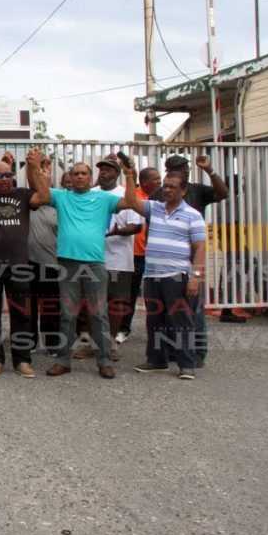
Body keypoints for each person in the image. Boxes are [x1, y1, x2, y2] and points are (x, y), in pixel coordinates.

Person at [44, 158, 137, 379]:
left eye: (83, 173)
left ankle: (104, 361)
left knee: (99, 314)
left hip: (95, 263)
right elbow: (40, 190)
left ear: (89, 177)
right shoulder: (61, 197)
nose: (79, 177)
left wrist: (130, 175)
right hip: (67, 262)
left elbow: (132, 202)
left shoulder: (103, 198)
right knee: (68, 314)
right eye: (75, 174)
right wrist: (35, 167)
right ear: (71, 179)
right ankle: (63, 361)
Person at [0, 148, 49, 378]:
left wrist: (33, 167)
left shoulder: (23, 194)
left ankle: (22, 360)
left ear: (13, 176)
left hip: (19, 264)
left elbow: (44, 196)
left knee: (21, 314)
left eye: (8, 175)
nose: (4, 179)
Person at [148, 154, 228, 368]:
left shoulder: (197, 190)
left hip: (192, 255)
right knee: (165, 311)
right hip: (164, 261)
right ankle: (170, 352)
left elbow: (223, 193)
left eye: (184, 168)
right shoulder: (159, 193)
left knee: (193, 309)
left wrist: (210, 170)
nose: (183, 172)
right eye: (177, 169)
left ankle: (197, 353)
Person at [128, 173, 207, 379]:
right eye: (165, 186)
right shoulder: (155, 208)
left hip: (176, 276)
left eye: (172, 187)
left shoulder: (193, 215)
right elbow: (130, 201)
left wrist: (195, 277)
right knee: (154, 321)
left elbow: (199, 248)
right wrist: (129, 175)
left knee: (180, 321)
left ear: (183, 191)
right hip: (152, 276)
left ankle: (186, 365)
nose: (167, 190)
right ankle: (157, 361)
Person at [73, 156, 143, 362]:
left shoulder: (124, 194)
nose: (104, 172)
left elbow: (136, 225)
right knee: (88, 303)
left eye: (109, 169)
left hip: (118, 260)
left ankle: (109, 344)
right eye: (101, 169)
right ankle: (89, 344)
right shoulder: (90, 194)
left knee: (115, 304)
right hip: (89, 257)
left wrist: (112, 233)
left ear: (117, 173)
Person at [118, 167, 161, 342]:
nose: (160, 182)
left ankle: (158, 332)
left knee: (155, 296)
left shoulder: (162, 198)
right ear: (144, 182)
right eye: (156, 179)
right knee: (129, 294)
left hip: (153, 255)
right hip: (134, 254)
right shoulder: (131, 195)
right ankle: (123, 329)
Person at [27, 156, 61, 357]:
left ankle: (53, 343)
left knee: (51, 306)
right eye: (38, 176)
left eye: (45, 176)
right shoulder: (29, 200)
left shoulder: (59, 203)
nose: (41, 178)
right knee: (28, 305)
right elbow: (32, 178)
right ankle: (29, 341)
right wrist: (34, 166)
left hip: (52, 264)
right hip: (28, 262)